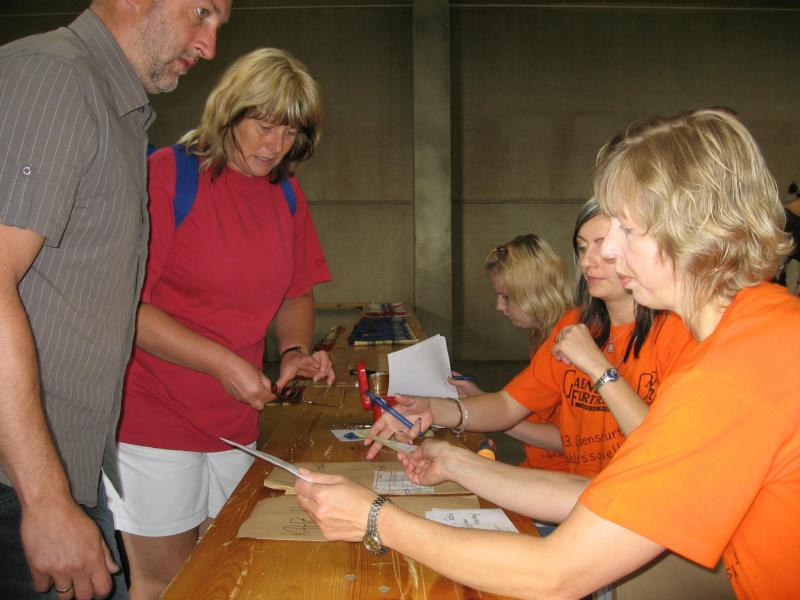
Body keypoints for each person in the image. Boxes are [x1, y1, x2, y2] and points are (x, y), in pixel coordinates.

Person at [295, 108, 800, 599]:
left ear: (692, 231)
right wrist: (456, 462)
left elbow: (557, 575)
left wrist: (376, 518)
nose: (606, 253)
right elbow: (611, 497)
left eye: (627, 230)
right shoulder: (754, 332)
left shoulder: (736, 371)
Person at [0, 1, 229, 598]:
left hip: (66, 469)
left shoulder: (119, 109)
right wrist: (45, 501)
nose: (209, 46)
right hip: (21, 486)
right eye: (201, 12)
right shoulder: (55, 77)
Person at [104, 47, 334, 600]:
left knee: (227, 571)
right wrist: (222, 364)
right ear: (229, 112)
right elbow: (126, 308)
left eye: (290, 132)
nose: (274, 145)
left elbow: (296, 291)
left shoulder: (285, 192)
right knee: (166, 581)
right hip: (154, 416)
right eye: (263, 125)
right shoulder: (168, 176)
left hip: (235, 421)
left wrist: (295, 351)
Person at [368, 198, 694, 479]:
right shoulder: (574, 324)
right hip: (577, 496)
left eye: (604, 246)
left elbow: (662, 449)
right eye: (582, 247)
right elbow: (509, 404)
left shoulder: (677, 330)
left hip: (634, 505)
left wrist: (597, 366)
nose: (587, 261)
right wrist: (437, 409)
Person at [452, 234, 573, 472]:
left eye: (506, 297)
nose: (499, 306)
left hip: (563, 476)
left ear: (536, 292)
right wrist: (482, 400)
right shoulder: (541, 334)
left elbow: (568, 441)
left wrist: (495, 418)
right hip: (538, 465)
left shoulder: (568, 344)